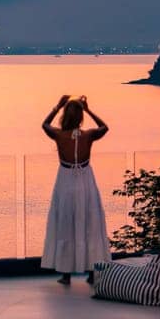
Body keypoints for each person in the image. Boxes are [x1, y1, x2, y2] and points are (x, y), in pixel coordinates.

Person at [40, 94, 111, 286]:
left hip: (65, 181)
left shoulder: (59, 135)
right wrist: (88, 110)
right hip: (86, 181)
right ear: (80, 117)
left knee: (65, 223)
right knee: (89, 223)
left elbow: (44, 125)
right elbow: (105, 127)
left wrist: (57, 106)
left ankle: (66, 274)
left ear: (65, 116)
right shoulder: (87, 135)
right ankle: (91, 272)